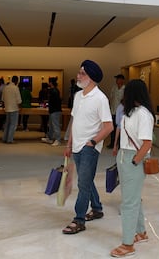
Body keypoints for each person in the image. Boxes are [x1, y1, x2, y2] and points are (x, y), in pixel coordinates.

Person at [62, 60, 113, 235]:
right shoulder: (78, 96)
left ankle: (79, 219)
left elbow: (108, 126)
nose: (78, 76)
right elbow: (74, 121)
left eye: (82, 73)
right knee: (87, 179)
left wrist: (93, 142)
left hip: (89, 148)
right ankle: (97, 208)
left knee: (83, 183)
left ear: (91, 78)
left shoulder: (100, 99)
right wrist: (68, 144)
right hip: (76, 146)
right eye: (79, 72)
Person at [110, 79, 154, 258]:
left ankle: (128, 244)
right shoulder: (131, 112)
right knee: (134, 198)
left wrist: (135, 161)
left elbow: (147, 143)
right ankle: (141, 233)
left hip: (133, 159)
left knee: (128, 202)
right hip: (125, 157)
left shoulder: (143, 114)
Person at [41, 78, 62, 146]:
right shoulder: (54, 90)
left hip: (55, 110)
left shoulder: (54, 91)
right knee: (51, 125)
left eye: (49, 82)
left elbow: (55, 101)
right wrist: (48, 101)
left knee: (55, 125)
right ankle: (49, 138)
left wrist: (48, 102)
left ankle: (58, 140)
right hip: (53, 110)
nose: (48, 84)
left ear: (51, 83)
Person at [2, 76, 21, 144]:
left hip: (7, 109)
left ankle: (5, 138)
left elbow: (3, 99)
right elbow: (18, 100)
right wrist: (20, 107)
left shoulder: (5, 87)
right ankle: (10, 139)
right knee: (13, 125)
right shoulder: (16, 88)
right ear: (16, 81)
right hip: (14, 108)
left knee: (7, 124)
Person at [108, 74, 125, 148]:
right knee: (113, 128)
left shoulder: (125, 89)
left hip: (121, 112)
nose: (116, 81)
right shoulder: (114, 88)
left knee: (120, 128)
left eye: (118, 79)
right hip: (113, 110)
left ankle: (120, 144)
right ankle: (112, 143)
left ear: (122, 80)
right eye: (116, 79)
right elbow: (111, 98)